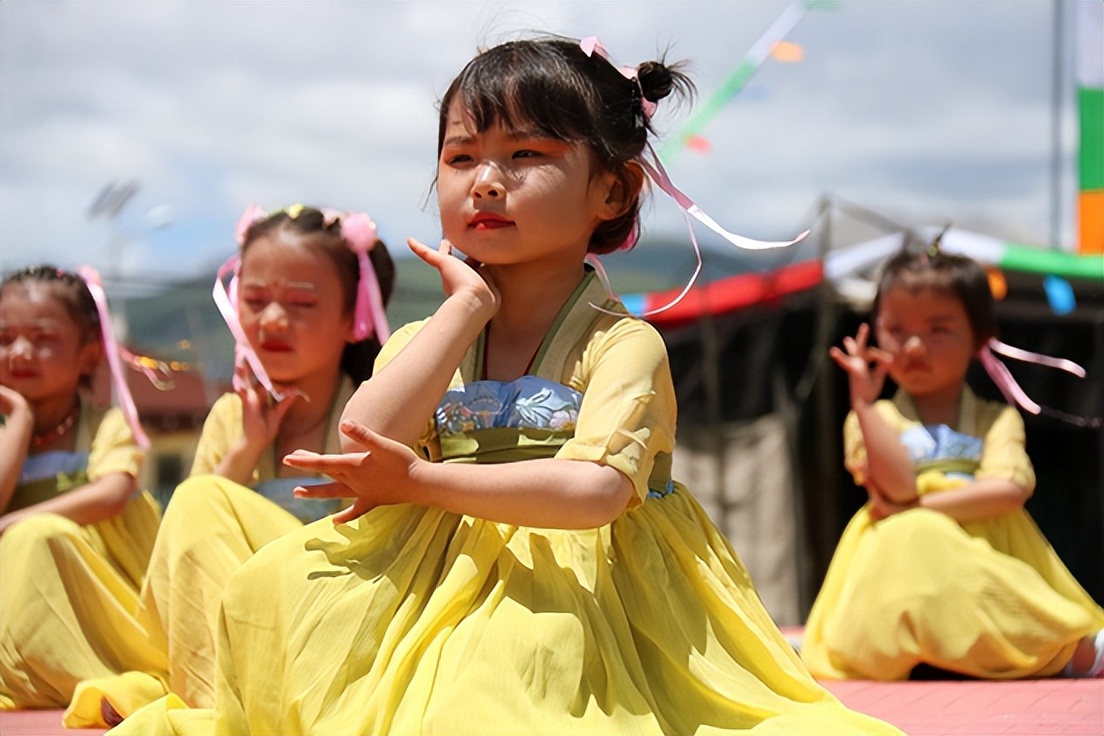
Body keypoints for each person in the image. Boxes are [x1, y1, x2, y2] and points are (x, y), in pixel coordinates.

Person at [110, 37, 901, 735]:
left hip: (577, 574)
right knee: (270, 580)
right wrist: (466, 310)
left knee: (500, 684)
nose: (486, 182)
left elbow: (594, 494)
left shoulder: (622, 343)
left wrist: (423, 478)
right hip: (433, 564)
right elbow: (365, 434)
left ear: (613, 192)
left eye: (526, 155)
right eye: (461, 159)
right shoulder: (434, 336)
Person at [64, 205, 395, 727]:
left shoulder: (375, 410)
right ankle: (218, 702)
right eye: (255, 300)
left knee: (199, 499)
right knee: (197, 500)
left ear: (352, 316)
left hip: (332, 617)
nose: (272, 320)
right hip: (234, 625)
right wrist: (243, 451)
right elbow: (186, 553)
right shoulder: (228, 416)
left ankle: (219, 710)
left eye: (301, 302)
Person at [801, 247, 1104, 681]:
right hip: (896, 566)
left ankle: (1061, 653)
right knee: (917, 539)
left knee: (926, 537)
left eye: (939, 329)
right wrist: (866, 406)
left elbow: (1009, 489)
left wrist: (915, 512)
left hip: (984, 556)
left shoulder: (995, 418)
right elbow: (897, 489)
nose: (914, 346)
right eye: (896, 329)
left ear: (979, 339)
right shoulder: (870, 421)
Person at [0, 265, 164, 710]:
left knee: (35, 539)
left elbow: (111, 493)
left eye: (42, 339)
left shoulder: (105, 424)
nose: (19, 352)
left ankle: (98, 679)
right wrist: (18, 423)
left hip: (89, 583)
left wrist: (18, 522)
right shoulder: (5, 428)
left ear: (89, 355)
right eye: (4, 337)